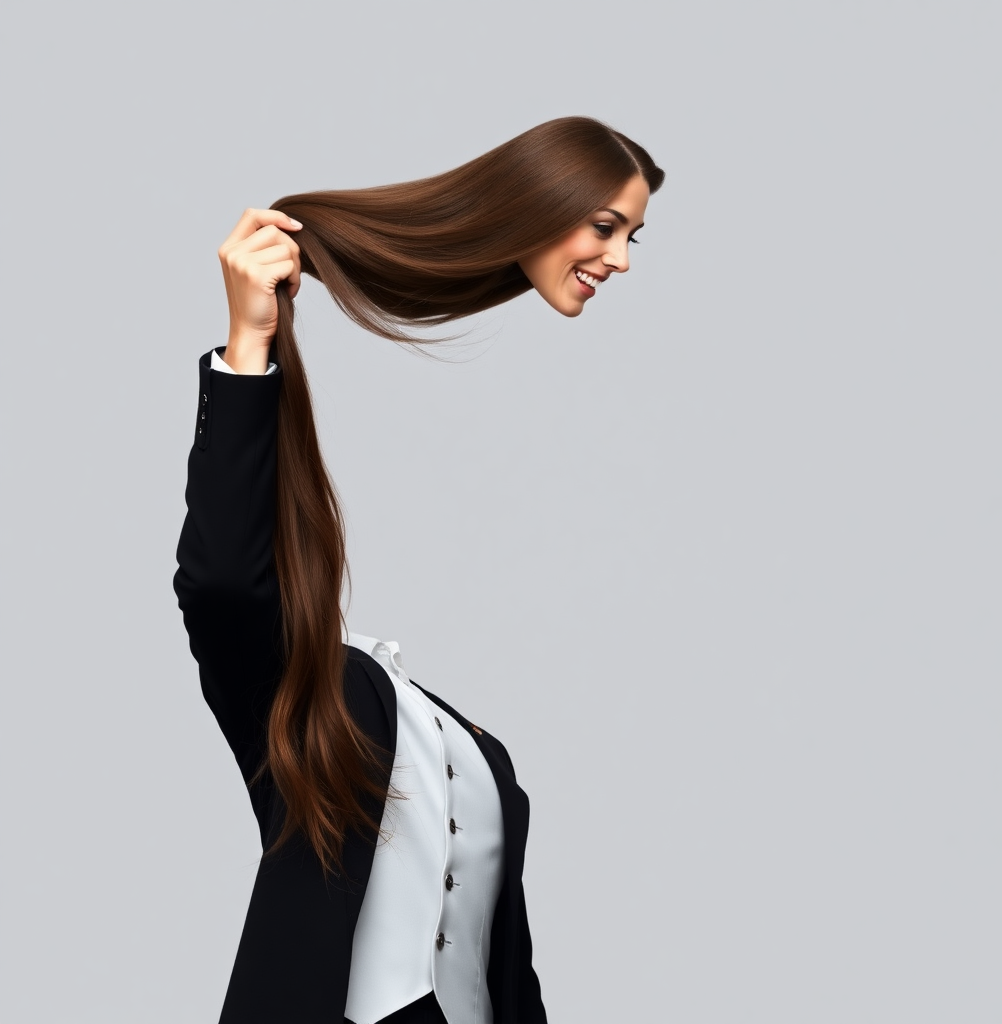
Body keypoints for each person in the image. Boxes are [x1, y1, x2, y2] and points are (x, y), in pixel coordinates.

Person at [173, 116, 664, 1024]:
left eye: (634, 235)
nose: (622, 258)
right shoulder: (303, 697)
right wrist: (248, 348)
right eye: (605, 226)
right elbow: (224, 583)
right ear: (540, 202)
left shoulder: (476, 750)